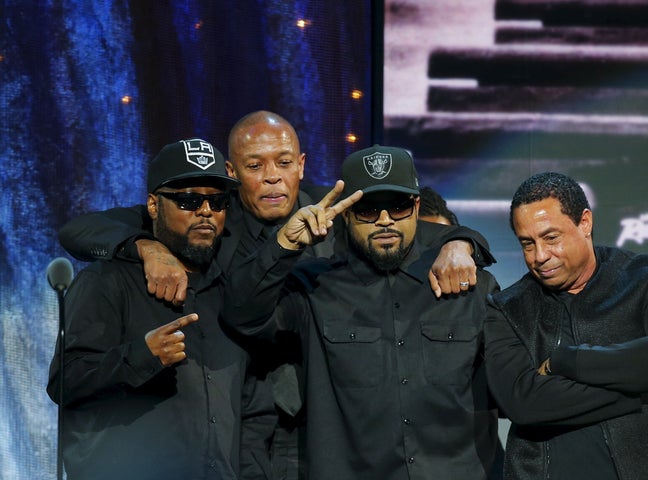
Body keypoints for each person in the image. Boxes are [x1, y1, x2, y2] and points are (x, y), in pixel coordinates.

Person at [56, 111, 488, 479]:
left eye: (283, 162)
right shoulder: (212, 219)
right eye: (255, 165)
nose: (272, 178)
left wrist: (461, 243)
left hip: (328, 419)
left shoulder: (335, 209)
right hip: (238, 419)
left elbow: (413, 230)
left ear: (300, 164)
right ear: (232, 172)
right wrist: (146, 246)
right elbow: (79, 230)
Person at [223, 144, 502, 479]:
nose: (384, 221)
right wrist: (283, 246)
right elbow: (241, 315)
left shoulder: (468, 283)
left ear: (415, 207)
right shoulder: (311, 288)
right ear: (346, 214)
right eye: (368, 210)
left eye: (397, 207)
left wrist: (462, 241)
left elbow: (509, 391)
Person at [47, 138, 274, 479]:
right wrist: (142, 355)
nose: (205, 211)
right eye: (188, 200)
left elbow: (251, 406)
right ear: (153, 205)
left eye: (217, 201)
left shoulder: (231, 291)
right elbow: (65, 381)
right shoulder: (107, 281)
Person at [484, 171, 648, 479]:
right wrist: (644, 386)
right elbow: (523, 402)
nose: (540, 256)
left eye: (551, 238)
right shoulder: (507, 308)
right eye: (527, 243)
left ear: (584, 222)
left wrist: (569, 360)